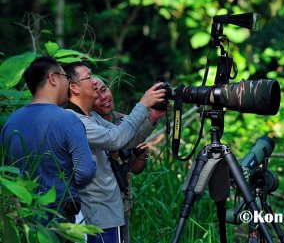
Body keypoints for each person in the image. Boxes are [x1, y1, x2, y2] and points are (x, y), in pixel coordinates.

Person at [62, 61, 166, 243]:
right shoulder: (74, 119)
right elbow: (114, 139)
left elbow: (125, 141)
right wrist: (142, 104)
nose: (94, 82)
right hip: (96, 214)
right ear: (74, 88)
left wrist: (152, 118)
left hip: (108, 211)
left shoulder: (91, 117)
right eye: (88, 77)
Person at [0, 56, 96, 223]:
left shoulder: (10, 123)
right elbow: (85, 171)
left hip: (23, 218)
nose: (68, 84)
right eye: (66, 77)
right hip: (59, 219)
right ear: (53, 78)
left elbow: (7, 175)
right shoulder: (67, 120)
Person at [91, 77, 165, 243]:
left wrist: (140, 154)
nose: (103, 97)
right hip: (100, 207)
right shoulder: (91, 125)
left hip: (123, 203)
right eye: (96, 96)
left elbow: (135, 168)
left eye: (104, 90)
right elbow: (114, 139)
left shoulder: (127, 121)